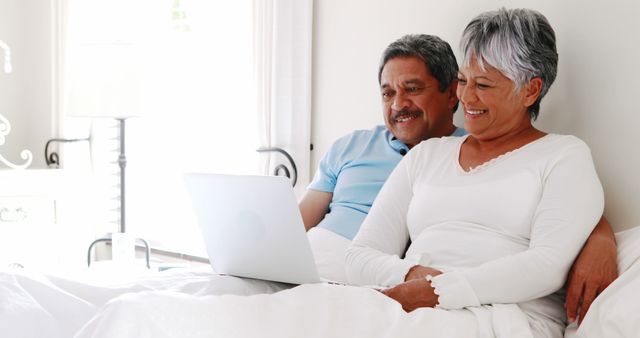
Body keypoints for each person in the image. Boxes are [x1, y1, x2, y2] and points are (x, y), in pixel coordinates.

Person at [299, 34, 617, 324]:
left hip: (484, 309)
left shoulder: (558, 154)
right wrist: (414, 277)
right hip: (385, 292)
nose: (467, 96)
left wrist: (602, 237)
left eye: (484, 85)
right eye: (465, 81)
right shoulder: (418, 154)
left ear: (529, 91)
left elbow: (554, 246)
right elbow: (350, 249)